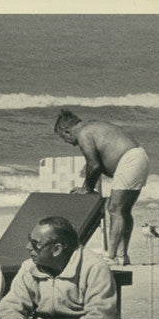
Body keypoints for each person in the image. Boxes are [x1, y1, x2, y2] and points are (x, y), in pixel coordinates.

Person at [54, 109, 149, 267]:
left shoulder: (84, 134)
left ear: (67, 131)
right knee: (124, 210)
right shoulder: (92, 126)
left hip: (129, 161)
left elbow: (94, 165)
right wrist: (88, 183)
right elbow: (96, 163)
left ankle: (110, 256)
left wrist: (86, 189)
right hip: (139, 157)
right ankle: (122, 256)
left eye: (63, 137)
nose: (65, 141)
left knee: (114, 209)